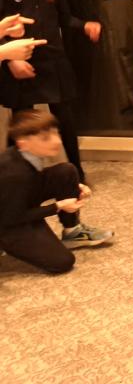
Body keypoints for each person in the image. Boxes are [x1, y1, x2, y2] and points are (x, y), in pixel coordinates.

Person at [0, 0, 102, 183]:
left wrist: (84, 25)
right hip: (19, 62)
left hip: (53, 59)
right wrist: (11, 60)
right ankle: (16, 180)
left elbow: (64, 18)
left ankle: (76, 175)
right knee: (22, 125)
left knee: (65, 119)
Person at [0, 110, 114, 274]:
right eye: (45, 138)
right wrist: (57, 206)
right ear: (23, 144)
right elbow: (11, 217)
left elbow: (32, 182)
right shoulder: (15, 174)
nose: (57, 141)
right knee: (62, 262)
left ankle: (72, 231)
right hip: (8, 222)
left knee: (65, 171)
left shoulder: (23, 156)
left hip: (18, 203)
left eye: (56, 133)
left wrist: (76, 187)